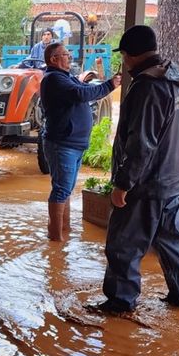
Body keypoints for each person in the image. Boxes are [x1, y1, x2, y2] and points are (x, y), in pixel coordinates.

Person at [91, 25, 179, 313]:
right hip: (171, 180)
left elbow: (142, 142)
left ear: (132, 54)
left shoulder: (147, 86)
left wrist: (123, 184)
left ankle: (120, 303)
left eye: (125, 55)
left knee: (123, 245)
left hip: (147, 183)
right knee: (172, 243)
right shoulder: (171, 77)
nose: (124, 61)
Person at [40, 42, 121, 241]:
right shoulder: (54, 79)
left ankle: (63, 230)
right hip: (63, 144)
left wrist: (106, 83)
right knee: (62, 189)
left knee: (65, 188)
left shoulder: (65, 77)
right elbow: (81, 94)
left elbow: (85, 88)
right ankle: (55, 238)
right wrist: (110, 85)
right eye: (65, 54)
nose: (69, 57)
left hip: (72, 144)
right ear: (54, 59)